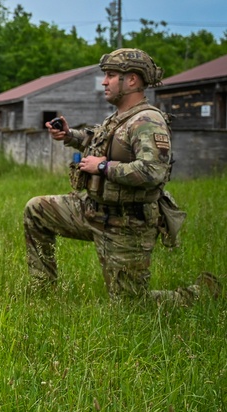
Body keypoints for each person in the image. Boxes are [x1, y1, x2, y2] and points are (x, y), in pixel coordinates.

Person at [24, 47, 220, 303]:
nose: (104, 81)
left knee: (131, 304)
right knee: (36, 210)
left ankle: (200, 295)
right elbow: (100, 141)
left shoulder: (148, 121)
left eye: (111, 75)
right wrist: (70, 135)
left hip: (127, 223)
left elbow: (153, 171)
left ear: (132, 80)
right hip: (92, 210)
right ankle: (43, 292)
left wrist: (103, 167)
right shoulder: (119, 118)